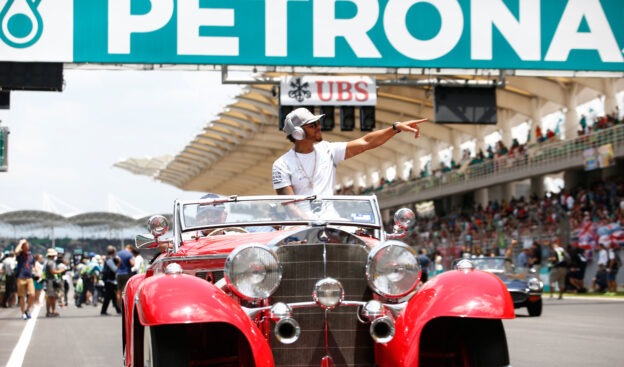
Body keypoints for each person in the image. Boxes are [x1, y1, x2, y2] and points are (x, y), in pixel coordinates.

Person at [272, 107, 425, 197]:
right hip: (301, 229)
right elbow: (290, 204)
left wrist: (395, 128)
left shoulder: (327, 149)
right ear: (298, 133)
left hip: (330, 225)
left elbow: (366, 142)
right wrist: (309, 224)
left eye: (318, 123)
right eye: (312, 125)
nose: (319, 127)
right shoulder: (281, 165)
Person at [14, 239, 36, 320]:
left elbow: (34, 266)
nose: (27, 247)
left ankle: (27, 310)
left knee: (32, 295)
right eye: (25, 246)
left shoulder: (31, 256)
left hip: (29, 277)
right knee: (22, 296)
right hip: (21, 277)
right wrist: (21, 243)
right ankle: (23, 312)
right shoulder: (20, 255)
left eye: (27, 246)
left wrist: (37, 273)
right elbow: (16, 251)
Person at [43, 248, 65, 317]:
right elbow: (53, 271)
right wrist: (61, 270)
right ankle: (51, 311)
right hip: (50, 281)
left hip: (50, 280)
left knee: (51, 297)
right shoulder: (51, 262)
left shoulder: (49, 261)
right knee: (51, 297)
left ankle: (51, 311)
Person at [101, 246, 121, 315]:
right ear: (113, 252)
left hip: (110, 281)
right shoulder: (109, 260)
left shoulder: (109, 259)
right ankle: (104, 311)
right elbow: (115, 269)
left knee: (112, 296)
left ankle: (118, 310)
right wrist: (119, 264)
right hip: (109, 281)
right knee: (108, 296)